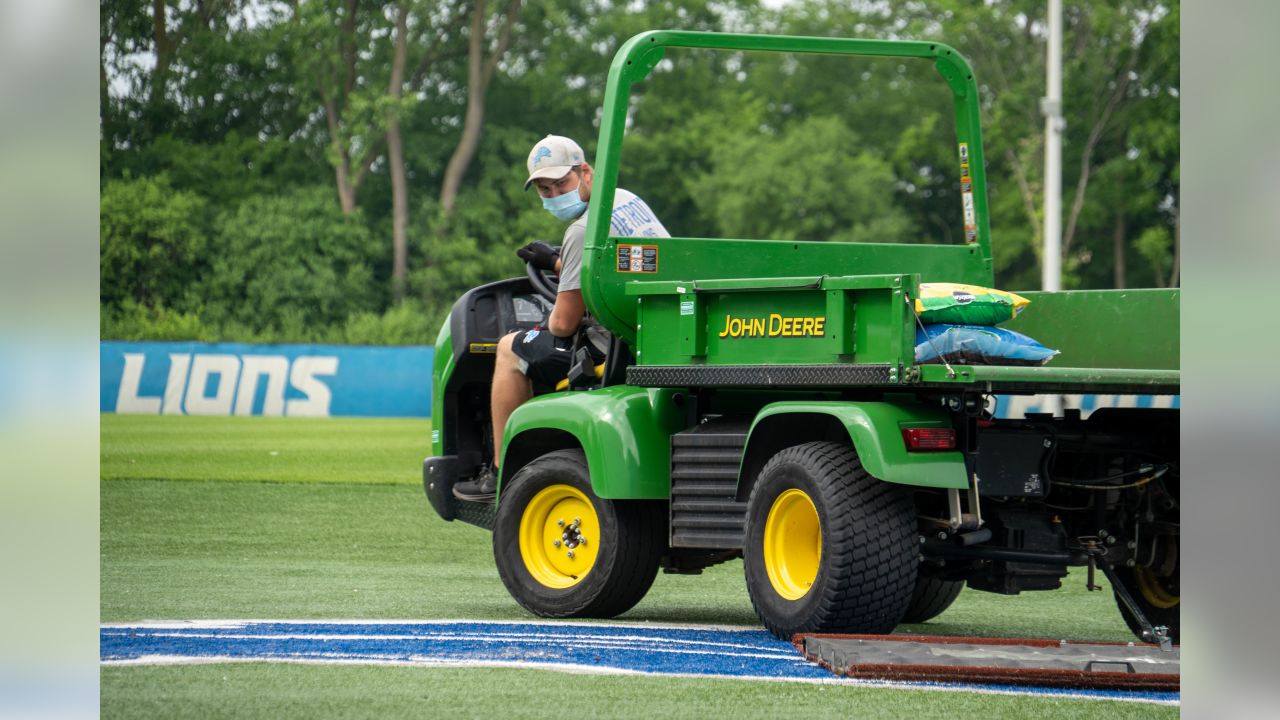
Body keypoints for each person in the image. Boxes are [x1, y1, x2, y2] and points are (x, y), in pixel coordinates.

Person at [453, 135, 669, 501]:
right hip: (650, 332)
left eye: (561, 184)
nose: (554, 196)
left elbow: (563, 324)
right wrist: (556, 264)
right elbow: (617, 271)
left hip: (613, 346)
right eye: (544, 189)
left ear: (584, 172)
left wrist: (547, 310)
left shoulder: (583, 230)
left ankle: (500, 471)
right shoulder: (626, 201)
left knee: (509, 349)